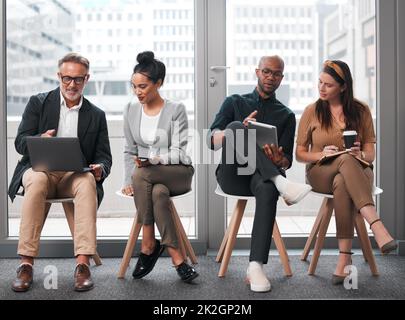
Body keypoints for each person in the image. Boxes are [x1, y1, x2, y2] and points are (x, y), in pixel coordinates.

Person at [8, 53, 113, 292]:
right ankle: (26, 264)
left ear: (86, 79)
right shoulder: (38, 102)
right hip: (39, 171)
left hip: (73, 176)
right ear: (59, 76)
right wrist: (40, 139)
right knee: (36, 179)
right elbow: (20, 142)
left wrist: (100, 168)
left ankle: (82, 266)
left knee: (87, 180)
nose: (71, 85)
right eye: (67, 78)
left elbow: (104, 156)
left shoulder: (96, 115)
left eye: (77, 79)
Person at [209, 55, 312, 292]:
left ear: (281, 78)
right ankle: (281, 183)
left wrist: (280, 161)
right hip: (233, 176)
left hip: (260, 180)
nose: (270, 77)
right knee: (235, 127)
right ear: (257, 72)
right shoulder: (234, 102)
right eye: (266, 71)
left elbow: (285, 160)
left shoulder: (286, 115)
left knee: (267, 186)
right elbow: (211, 141)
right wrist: (234, 133)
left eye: (276, 74)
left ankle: (255, 266)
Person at [296, 59, 397, 285]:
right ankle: (377, 224)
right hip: (320, 171)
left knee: (343, 178)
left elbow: (371, 155)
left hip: (357, 171)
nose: (321, 88)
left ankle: (344, 259)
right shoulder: (311, 111)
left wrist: (361, 154)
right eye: (320, 82)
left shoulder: (360, 111)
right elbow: (300, 154)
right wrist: (321, 154)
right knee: (342, 161)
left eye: (328, 85)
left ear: (343, 87)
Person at [121, 51, 198, 283]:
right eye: (134, 87)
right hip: (147, 179)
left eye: (143, 86)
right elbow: (129, 150)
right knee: (158, 193)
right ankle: (177, 258)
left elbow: (180, 153)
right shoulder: (130, 110)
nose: (138, 92)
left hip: (178, 172)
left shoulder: (176, 109)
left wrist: (155, 161)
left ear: (159, 83)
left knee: (143, 173)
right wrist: (127, 181)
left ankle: (148, 243)